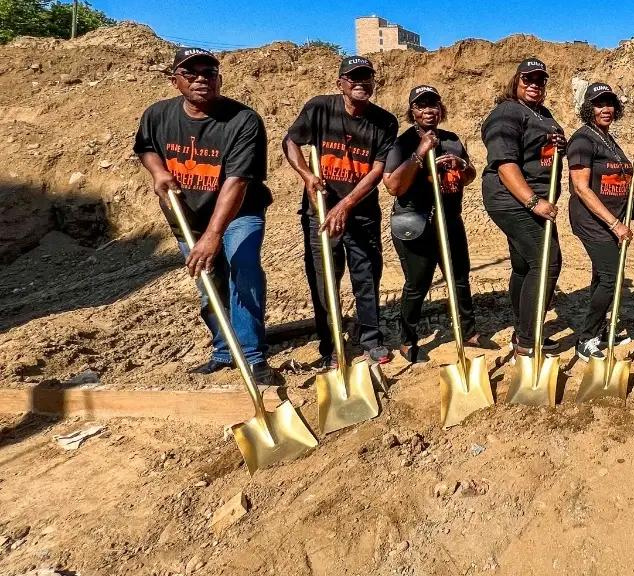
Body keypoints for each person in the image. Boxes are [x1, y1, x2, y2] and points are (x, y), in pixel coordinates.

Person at [134, 47, 275, 383]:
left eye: (209, 73)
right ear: (175, 81)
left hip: (240, 210)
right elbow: (146, 147)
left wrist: (213, 236)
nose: (201, 79)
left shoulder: (243, 120)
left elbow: (237, 181)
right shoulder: (158, 115)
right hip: (187, 216)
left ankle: (253, 355)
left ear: (219, 79)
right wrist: (158, 172)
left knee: (243, 269)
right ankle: (225, 351)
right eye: (191, 73)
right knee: (207, 280)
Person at [282, 56, 398, 367]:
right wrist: (307, 175)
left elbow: (377, 169)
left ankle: (371, 339)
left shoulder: (385, 122)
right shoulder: (320, 108)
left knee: (367, 276)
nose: (360, 83)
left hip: (361, 212)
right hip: (319, 210)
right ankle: (331, 346)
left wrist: (346, 204)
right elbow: (291, 141)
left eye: (366, 77)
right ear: (341, 84)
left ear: (374, 83)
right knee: (324, 280)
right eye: (353, 78)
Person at [383, 85, 483, 363]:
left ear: (441, 109)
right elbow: (392, 185)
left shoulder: (451, 139)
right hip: (415, 223)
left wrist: (461, 164)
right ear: (412, 111)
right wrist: (420, 153)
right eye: (421, 105)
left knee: (460, 277)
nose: (428, 110)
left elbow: (470, 175)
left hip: (450, 219)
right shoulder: (402, 144)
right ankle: (407, 339)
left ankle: (469, 332)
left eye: (433, 105)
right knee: (418, 283)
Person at [481, 58, 569, 358]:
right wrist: (533, 201)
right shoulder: (506, 113)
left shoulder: (541, 113)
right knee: (547, 262)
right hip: (515, 199)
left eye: (540, 80)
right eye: (528, 79)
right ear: (516, 81)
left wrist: (560, 144)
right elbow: (505, 164)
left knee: (524, 265)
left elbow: (546, 148)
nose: (534, 85)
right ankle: (528, 340)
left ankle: (523, 329)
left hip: (535, 200)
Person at [566, 82, 634, 362]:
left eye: (610, 103)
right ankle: (586, 337)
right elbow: (581, 187)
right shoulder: (582, 140)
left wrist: (633, 166)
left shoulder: (606, 138)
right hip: (593, 221)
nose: (606, 109)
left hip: (610, 219)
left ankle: (599, 330)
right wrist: (614, 224)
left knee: (602, 276)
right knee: (612, 278)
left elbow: (612, 172)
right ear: (589, 108)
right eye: (600, 104)